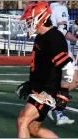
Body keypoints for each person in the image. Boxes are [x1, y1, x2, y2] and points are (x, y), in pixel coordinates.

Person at [16, 2, 74, 138]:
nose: (27, 23)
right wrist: (31, 84)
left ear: (40, 18)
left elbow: (67, 67)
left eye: (30, 19)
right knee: (33, 129)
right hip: (39, 88)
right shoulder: (40, 37)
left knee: (22, 120)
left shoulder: (55, 38)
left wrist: (64, 93)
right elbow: (41, 66)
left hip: (47, 91)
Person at [45, 1, 78, 125]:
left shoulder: (49, 7)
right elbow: (62, 30)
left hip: (52, 49)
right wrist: (76, 40)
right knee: (73, 81)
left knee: (63, 82)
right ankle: (50, 104)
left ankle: (57, 111)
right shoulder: (60, 8)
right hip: (62, 50)